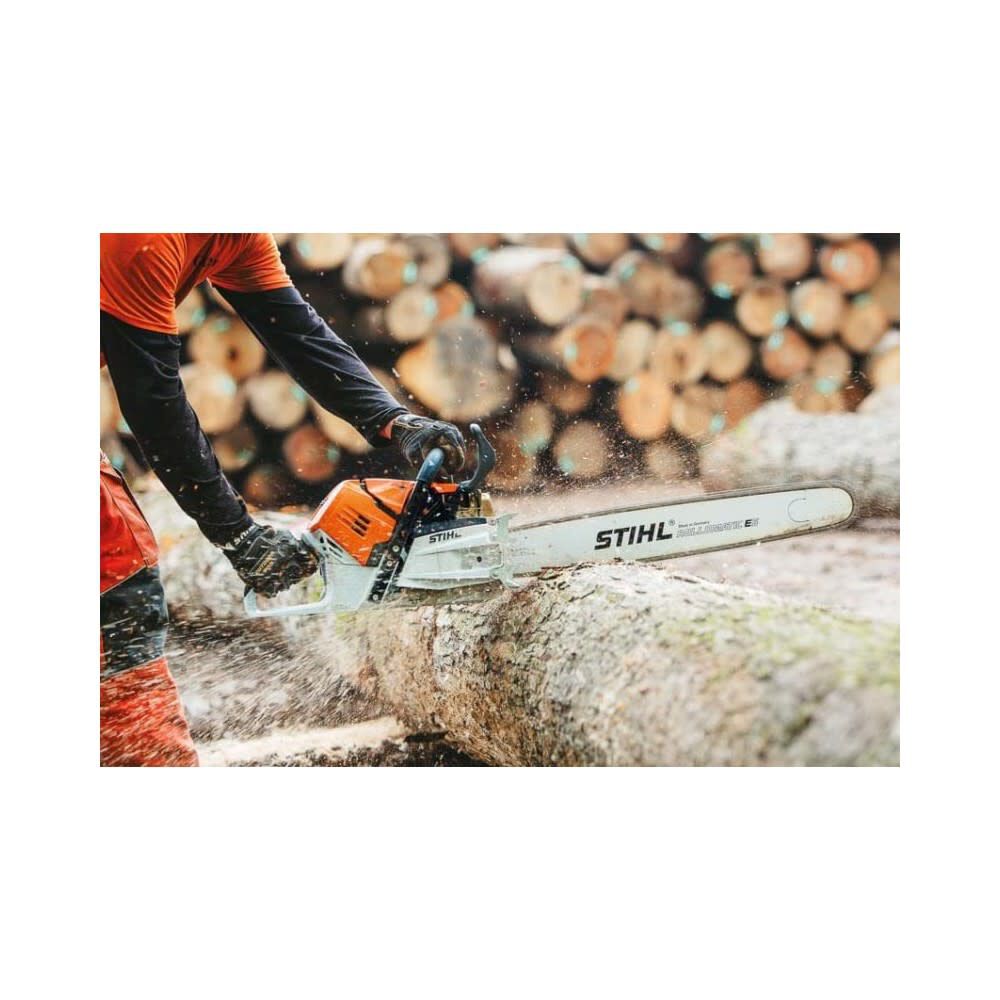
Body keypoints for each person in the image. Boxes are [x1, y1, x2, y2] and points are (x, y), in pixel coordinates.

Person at [100, 233, 466, 767]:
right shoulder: (144, 237)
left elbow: (296, 333)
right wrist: (236, 533)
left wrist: (393, 421)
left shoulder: (238, 236)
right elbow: (154, 403)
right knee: (116, 575)